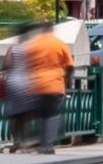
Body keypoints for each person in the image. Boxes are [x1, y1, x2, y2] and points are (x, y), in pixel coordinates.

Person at [16, 20, 70, 153]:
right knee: (52, 115)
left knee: (40, 115)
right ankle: (48, 145)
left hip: (36, 84)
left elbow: (26, 64)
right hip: (55, 84)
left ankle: (40, 142)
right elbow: (69, 65)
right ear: (52, 29)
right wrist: (67, 80)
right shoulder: (59, 44)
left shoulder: (33, 45)